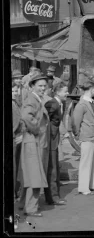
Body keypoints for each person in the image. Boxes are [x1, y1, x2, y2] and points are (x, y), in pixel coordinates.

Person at [18, 72, 49, 217]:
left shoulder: (36, 98)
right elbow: (25, 116)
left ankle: (22, 203)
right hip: (33, 141)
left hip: (32, 141)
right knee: (35, 176)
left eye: (44, 86)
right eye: (40, 86)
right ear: (32, 86)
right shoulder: (32, 99)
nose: (43, 88)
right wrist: (36, 129)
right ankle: (30, 208)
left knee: (30, 175)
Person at [72, 76, 94, 195]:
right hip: (86, 136)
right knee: (86, 162)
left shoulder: (92, 102)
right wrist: (78, 134)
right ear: (91, 89)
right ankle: (83, 187)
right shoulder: (81, 105)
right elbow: (75, 122)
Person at [43, 82, 69, 205]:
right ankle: (52, 197)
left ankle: (54, 195)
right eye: (65, 91)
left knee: (54, 167)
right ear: (58, 92)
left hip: (55, 138)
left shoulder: (60, 103)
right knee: (52, 168)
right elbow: (44, 120)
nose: (67, 93)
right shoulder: (52, 104)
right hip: (50, 139)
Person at [12, 81, 25, 199]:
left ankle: (16, 190)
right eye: (12, 91)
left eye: (16, 91)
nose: (15, 93)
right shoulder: (12, 105)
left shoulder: (16, 103)